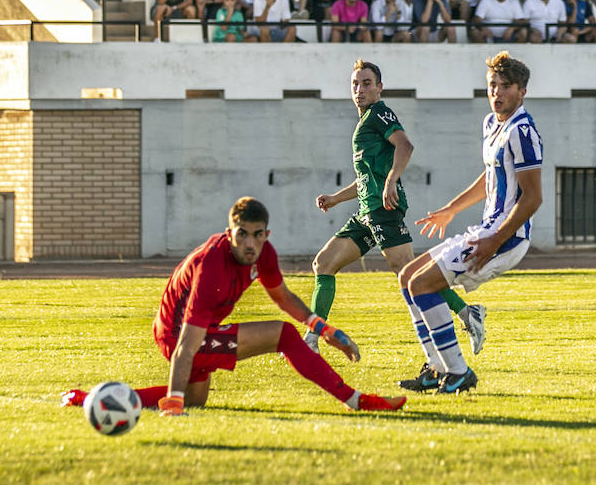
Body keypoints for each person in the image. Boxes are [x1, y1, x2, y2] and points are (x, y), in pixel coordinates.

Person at [60, 197, 405, 414]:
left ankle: (94, 399)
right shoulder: (212, 265)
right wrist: (174, 406)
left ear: (266, 235)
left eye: (257, 234)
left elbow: (282, 296)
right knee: (283, 335)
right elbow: (185, 345)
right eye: (243, 234)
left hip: (194, 333)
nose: (250, 243)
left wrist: (324, 329)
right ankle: (357, 400)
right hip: (177, 335)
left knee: (197, 400)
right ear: (230, 233)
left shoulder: (262, 253)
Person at [399, 52, 542, 394]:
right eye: (493, 85)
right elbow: (491, 177)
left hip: (505, 238)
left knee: (422, 286)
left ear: (522, 91)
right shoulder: (492, 125)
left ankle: (458, 372)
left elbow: (533, 198)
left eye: (506, 86)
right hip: (487, 230)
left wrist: (495, 241)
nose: (497, 92)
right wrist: (451, 209)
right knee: (408, 278)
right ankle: (436, 368)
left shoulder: (523, 130)